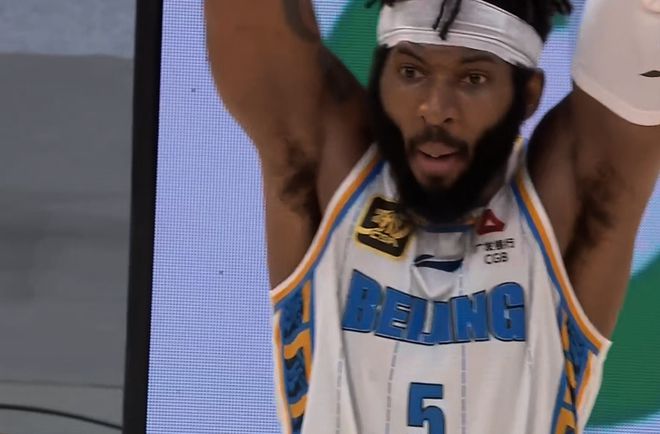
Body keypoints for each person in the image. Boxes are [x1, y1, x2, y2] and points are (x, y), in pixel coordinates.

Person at [205, 0, 660, 432]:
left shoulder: (569, 205)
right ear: (379, 77)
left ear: (527, 96)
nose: (436, 109)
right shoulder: (323, 172)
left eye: (473, 79)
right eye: (411, 72)